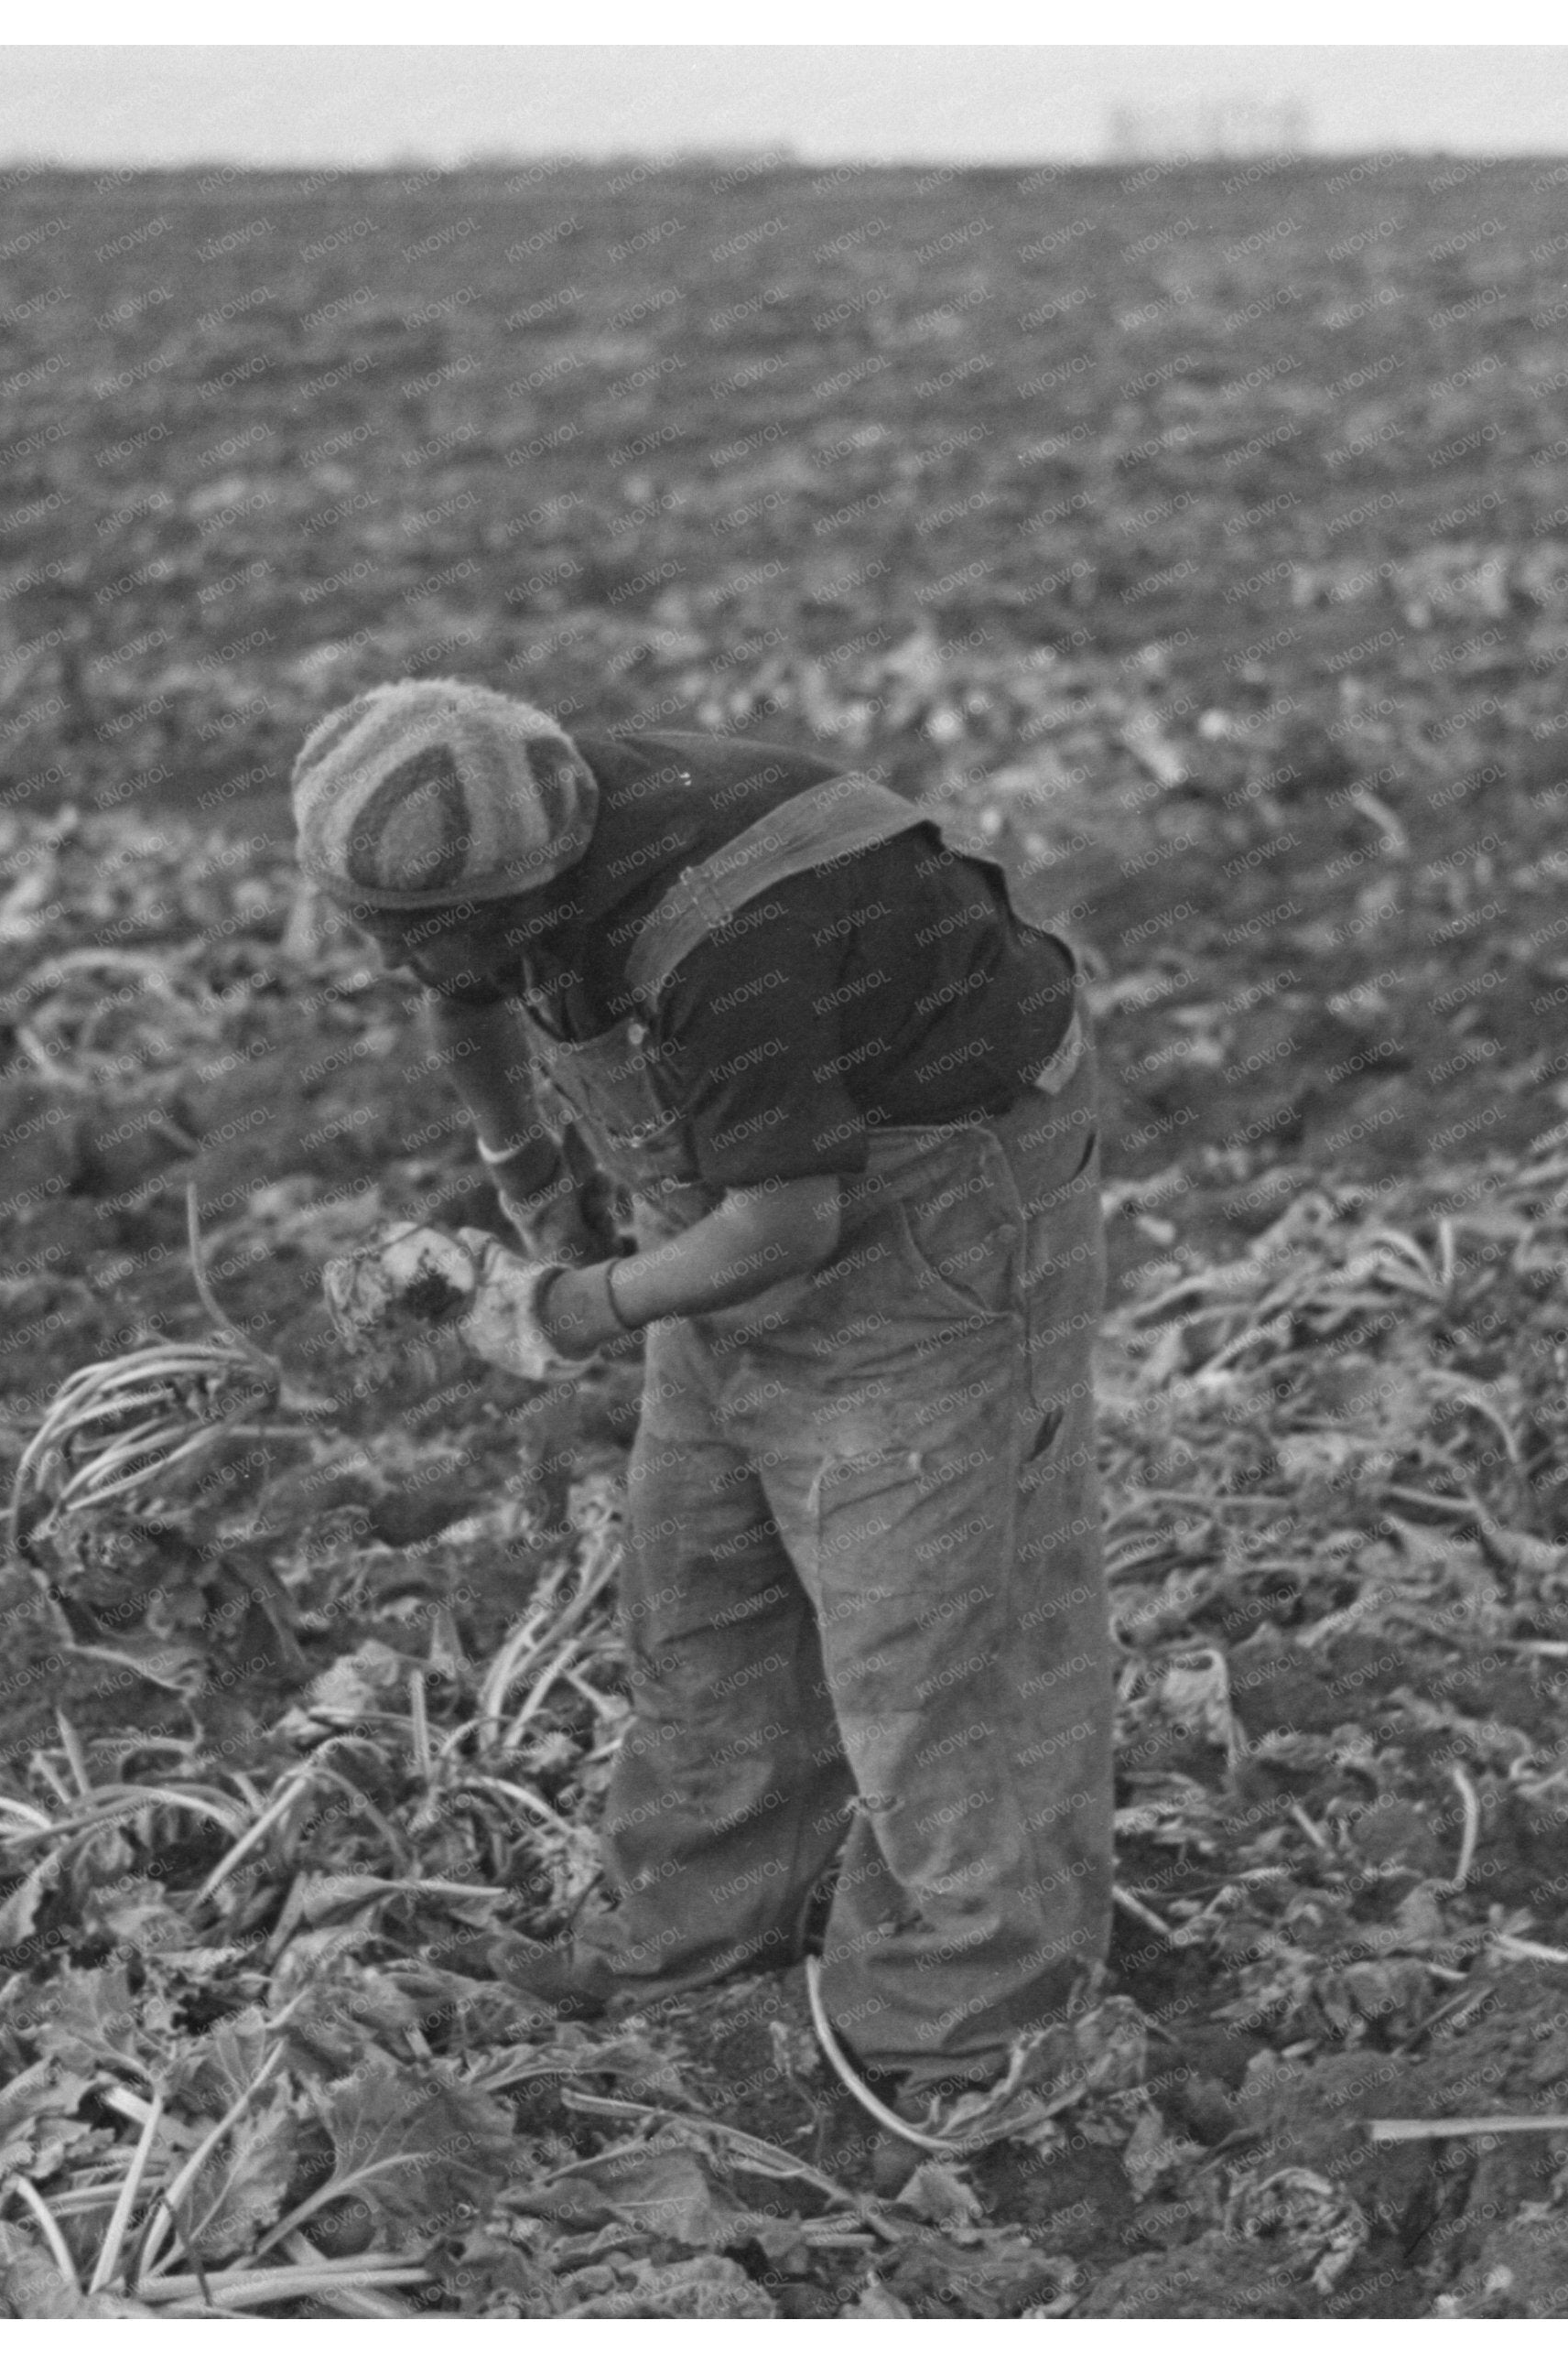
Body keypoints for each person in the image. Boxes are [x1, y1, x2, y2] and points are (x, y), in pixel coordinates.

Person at [291, 677, 1114, 2116]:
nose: (391, 959)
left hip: (937, 1207)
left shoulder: (737, 932)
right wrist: (533, 1191)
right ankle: (690, 1941)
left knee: (924, 1637)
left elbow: (786, 1226)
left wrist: (564, 1307)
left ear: (506, 898)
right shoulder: (507, 844)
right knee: (702, 1585)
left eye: (405, 938)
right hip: (738, 1204)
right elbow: (468, 1001)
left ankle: (967, 2023)